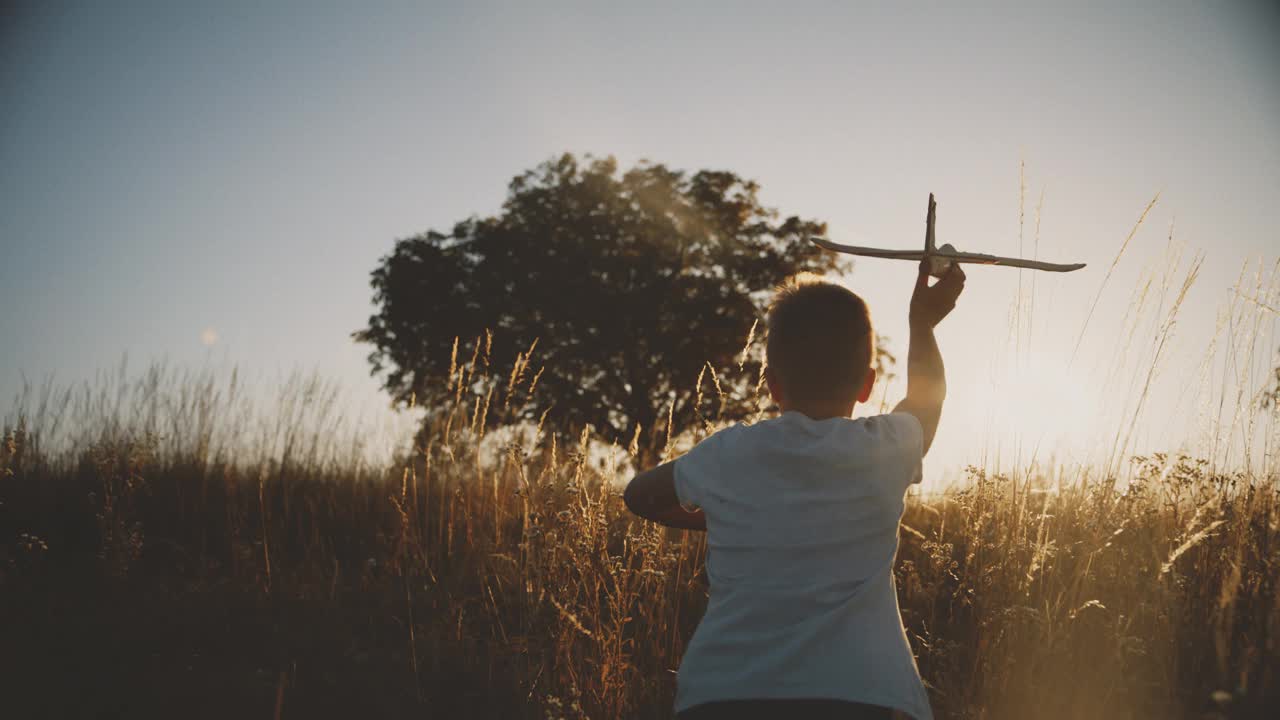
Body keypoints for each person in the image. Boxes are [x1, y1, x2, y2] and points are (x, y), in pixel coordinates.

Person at [623, 254, 965, 720]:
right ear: (866, 385)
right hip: (864, 696)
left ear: (771, 385)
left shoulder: (729, 454)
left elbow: (639, 495)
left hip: (723, 697)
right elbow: (928, 402)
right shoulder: (882, 450)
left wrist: (733, 517)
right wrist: (922, 323)